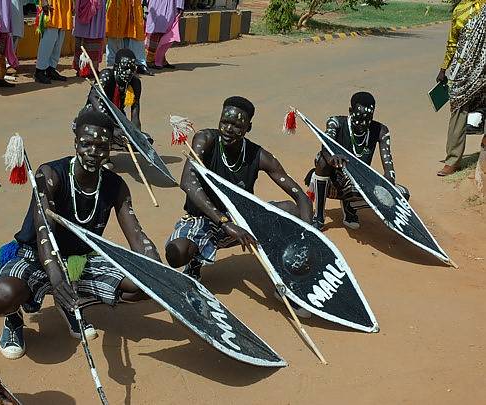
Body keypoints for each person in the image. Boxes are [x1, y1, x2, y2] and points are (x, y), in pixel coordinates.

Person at [0, 110, 160, 359]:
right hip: (34, 256)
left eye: (102, 146)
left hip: (79, 261)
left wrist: (157, 271)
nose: (93, 152)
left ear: (110, 147)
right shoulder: (50, 175)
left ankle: (70, 301)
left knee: (142, 285)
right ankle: (13, 319)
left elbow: (137, 236)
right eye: (86, 143)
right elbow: (44, 230)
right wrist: (57, 281)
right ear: (75, 141)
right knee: (2, 296)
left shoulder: (115, 185)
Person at [165, 96, 313, 305]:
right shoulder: (205, 140)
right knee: (177, 253)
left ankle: (287, 277)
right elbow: (187, 183)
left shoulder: (259, 156)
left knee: (290, 211)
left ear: (248, 127)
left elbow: (301, 197)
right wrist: (224, 223)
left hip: (241, 221)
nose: (228, 129)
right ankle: (195, 262)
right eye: (224, 122)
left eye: (237, 125)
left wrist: (309, 237)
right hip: (203, 217)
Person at [306, 92, 410, 230]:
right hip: (334, 183)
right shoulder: (335, 122)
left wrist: (388, 188)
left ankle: (351, 206)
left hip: (358, 184)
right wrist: (331, 158)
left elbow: (389, 171)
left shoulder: (381, 131)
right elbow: (325, 145)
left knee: (402, 194)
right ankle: (319, 217)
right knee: (321, 160)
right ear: (350, 111)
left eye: (368, 118)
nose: (363, 123)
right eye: (359, 117)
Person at [435, 0, 486, 176]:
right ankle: (453, 161)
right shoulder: (460, 9)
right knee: (457, 108)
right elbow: (452, 41)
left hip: (484, 68)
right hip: (462, 69)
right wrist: (443, 68)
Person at [82, 48, 153, 164]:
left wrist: (135, 136)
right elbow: (94, 98)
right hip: (93, 117)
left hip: (116, 119)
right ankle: (100, 157)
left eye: (132, 68)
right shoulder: (106, 75)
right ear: (115, 67)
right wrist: (113, 129)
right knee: (104, 130)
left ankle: (111, 144)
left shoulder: (135, 83)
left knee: (146, 140)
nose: (129, 72)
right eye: (125, 68)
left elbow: (135, 112)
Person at [106, 0, 154, 75]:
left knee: (137, 32)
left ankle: (140, 64)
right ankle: (114, 63)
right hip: (116, 4)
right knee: (115, 32)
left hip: (134, 4)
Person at [34, 0, 72, 84]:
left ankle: (51, 69)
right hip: (51, 5)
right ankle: (39, 71)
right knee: (48, 40)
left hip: (64, 7)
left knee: (59, 41)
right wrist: (44, 3)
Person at [145, 0, 183, 70]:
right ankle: (149, 58)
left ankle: (160, 58)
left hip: (171, 5)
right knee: (155, 31)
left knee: (167, 33)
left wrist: (180, 6)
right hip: (156, 4)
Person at [72, 0, 106, 78]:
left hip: (97, 7)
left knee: (94, 36)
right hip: (86, 5)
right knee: (83, 37)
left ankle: (91, 69)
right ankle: (83, 69)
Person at [7, 0, 27, 75]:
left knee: (15, 36)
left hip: (16, 10)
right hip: (5, 9)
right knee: (7, 37)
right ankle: (7, 64)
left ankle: (11, 62)